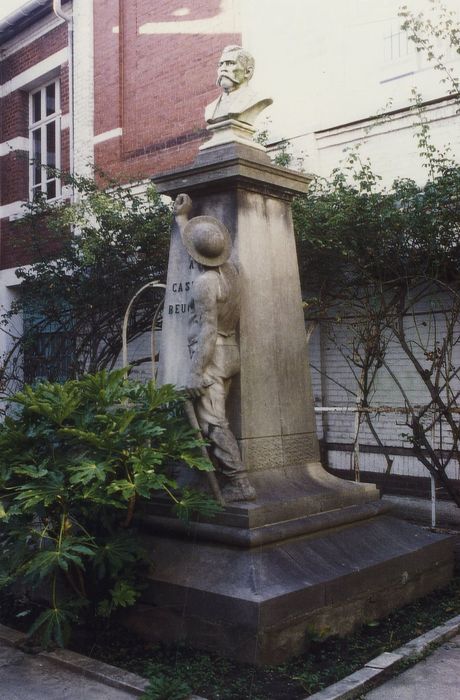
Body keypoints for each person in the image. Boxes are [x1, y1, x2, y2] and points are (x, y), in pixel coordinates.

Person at [174, 193, 256, 503]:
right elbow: (201, 248)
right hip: (229, 352)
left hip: (212, 357)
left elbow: (207, 330)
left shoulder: (204, 283)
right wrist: (183, 219)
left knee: (212, 421)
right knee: (215, 417)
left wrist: (196, 371)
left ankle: (239, 480)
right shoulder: (230, 271)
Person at [205, 45, 272, 126]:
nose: (223, 68)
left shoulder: (256, 99)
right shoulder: (210, 109)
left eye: (230, 63)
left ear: (247, 72)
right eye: (220, 64)